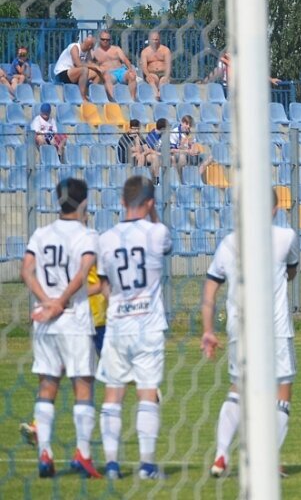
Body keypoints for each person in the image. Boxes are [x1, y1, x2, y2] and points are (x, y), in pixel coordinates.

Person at [201, 189, 299, 478]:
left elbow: (210, 289)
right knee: (282, 392)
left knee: (237, 390)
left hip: (239, 329)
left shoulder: (228, 243)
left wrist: (208, 329)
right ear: (274, 209)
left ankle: (220, 455)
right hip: (276, 330)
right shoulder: (285, 237)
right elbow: (291, 273)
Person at [20, 177, 102, 479]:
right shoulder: (87, 234)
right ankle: (83, 453)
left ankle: (45, 452)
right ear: (83, 203)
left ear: (58, 200)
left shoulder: (41, 233)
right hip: (74, 321)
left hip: (46, 322)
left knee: (47, 385)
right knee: (83, 385)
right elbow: (84, 272)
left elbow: (25, 270)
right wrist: (60, 302)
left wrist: (46, 302)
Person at [96, 175, 172, 480]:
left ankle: (112, 465)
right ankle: (147, 466)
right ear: (150, 203)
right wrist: (153, 214)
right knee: (147, 394)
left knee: (113, 397)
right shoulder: (157, 233)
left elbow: (103, 284)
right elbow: (165, 242)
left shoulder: (106, 238)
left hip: (117, 325)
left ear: (122, 202)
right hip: (149, 326)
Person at [52, 36, 101, 101]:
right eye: (93, 46)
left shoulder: (87, 51)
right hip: (62, 73)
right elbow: (78, 64)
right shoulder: (74, 47)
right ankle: (82, 97)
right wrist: (94, 66)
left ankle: (92, 95)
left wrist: (98, 68)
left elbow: (90, 63)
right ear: (90, 46)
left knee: (97, 73)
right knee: (84, 70)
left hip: (73, 74)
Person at [93, 30, 137, 101]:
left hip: (121, 71)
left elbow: (125, 60)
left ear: (110, 40)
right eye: (103, 39)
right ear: (99, 39)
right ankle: (113, 100)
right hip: (109, 73)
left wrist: (130, 69)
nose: (105, 41)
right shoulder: (95, 52)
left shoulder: (116, 49)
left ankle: (132, 100)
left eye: (107, 40)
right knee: (106, 77)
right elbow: (89, 63)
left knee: (132, 76)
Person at [140, 31, 172, 100]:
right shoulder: (145, 52)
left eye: (156, 39)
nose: (155, 41)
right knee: (152, 79)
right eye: (153, 40)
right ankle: (156, 95)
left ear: (159, 39)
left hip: (163, 73)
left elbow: (168, 65)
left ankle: (161, 94)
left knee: (163, 80)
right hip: (152, 73)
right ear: (149, 40)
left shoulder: (165, 50)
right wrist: (148, 75)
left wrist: (167, 76)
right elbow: (144, 67)